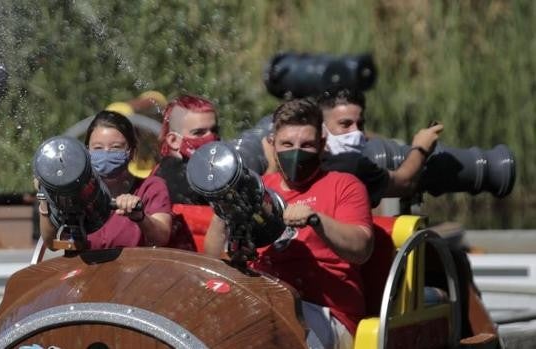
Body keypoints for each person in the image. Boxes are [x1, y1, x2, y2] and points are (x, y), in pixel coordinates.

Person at [204, 98, 373, 349]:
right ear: (272, 146)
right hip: (258, 303)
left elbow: (362, 249)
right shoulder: (260, 187)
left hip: (324, 314)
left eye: (307, 145)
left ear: (322, 145)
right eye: (287, 144)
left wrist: (315, 219)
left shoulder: (344, 185)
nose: (296, 152)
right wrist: (223, 210)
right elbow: (211, 258)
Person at [38, 110, 172, 250]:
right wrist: (45, 197)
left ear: (131, 152)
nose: (106, 153)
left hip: (133, 269)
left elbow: (162, 237)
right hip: (85, 270)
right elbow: (52, 244)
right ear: (87, 151)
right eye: (98, 148)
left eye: (115, 148)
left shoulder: (150, 187)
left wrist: (140, 217)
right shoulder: (74, 190)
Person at [318, 86, 444, 207]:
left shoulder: (307, 159)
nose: (356, 133)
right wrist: (421, 148)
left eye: (360, 125)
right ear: (321, 129)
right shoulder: (354, 166)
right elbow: (405, 183)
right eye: (345, 124)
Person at [153, 94, 220, 205]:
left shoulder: (160, 170)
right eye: (199, 132)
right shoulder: (177, 180)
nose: (211, 138)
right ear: (173, 140)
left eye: (214, 130)